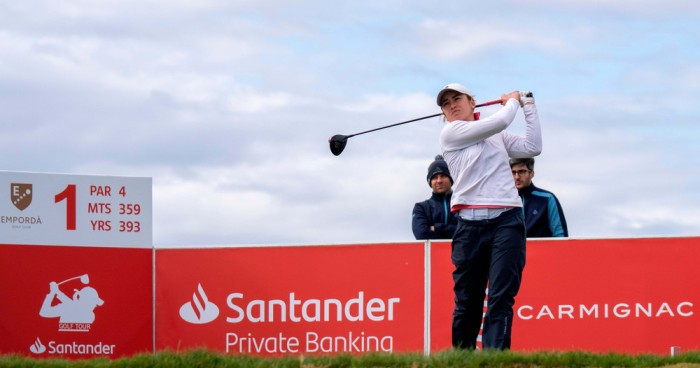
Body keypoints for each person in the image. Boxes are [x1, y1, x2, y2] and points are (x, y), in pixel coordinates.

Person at [437, 83, 542, 350]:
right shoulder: (451, 132)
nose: (452, 105)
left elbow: (532, 146)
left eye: (457, 98)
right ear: (444, 115)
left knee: (501, 297)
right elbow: (503, 120)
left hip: (507, 220)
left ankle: (494, 360)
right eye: (446, 103)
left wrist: (529, 106)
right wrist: (513, 101)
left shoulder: (496, 135)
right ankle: (462, 359)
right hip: (469, 225)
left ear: (472, 102)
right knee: (467, 301)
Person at [509, 157, 568, 237]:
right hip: (512, 249)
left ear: (532, 174)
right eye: (513, 172)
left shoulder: (547, 199)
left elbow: (560, 235)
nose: (517, 177)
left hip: (541, 249)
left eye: (521, 172)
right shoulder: (503, 200)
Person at [412, 155, 458, 239]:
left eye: (443, 176)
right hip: (433, 252)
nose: (439, 181)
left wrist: (438, 227)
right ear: (430, 182)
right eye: (435, 177)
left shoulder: (462, 205)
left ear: (451, 179)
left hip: (460, 252)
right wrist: (452, 230)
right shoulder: (421, 208)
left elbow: (469, 233)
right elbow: (421, 234)